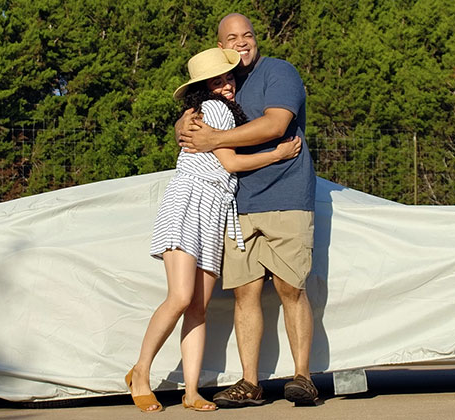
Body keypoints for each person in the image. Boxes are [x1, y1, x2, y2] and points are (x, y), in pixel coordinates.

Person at [124, 47, 301, 413]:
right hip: (190, 204)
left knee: (199, 307)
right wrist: (277, 154)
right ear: (203, 88)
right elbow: (231, 161)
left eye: (228, 78)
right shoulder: (215, 110)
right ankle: (140, 373)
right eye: (216, 81)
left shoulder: (218, 113)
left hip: (214, 210)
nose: (226, 86)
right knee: (180, 297)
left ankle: (191, 391)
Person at [175, 13, 320, 407]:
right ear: (219, 45)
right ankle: (250, 382)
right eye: (232, 38)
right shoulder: (219, 83)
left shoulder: (279, 72)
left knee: (291, 287)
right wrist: (184, 128)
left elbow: (276, 124)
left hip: (286, 196)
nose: (242, 43)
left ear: (257, 40)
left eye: (248, 35)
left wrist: (215, 139)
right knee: (245, 293)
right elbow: (189, 123)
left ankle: (302, 377)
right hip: (236, 203)